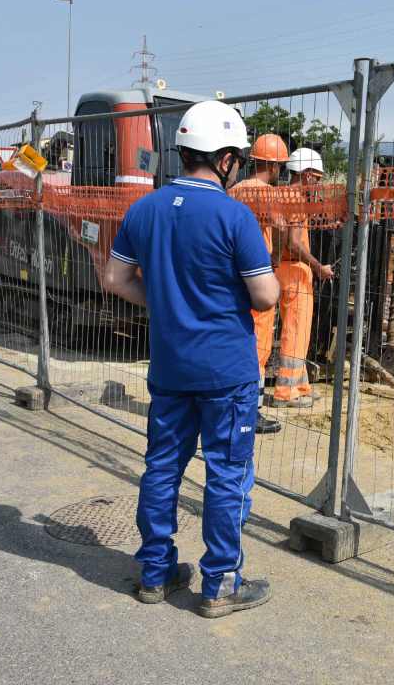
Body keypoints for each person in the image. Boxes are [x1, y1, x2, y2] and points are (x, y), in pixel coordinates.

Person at [103, 100, 279, 618]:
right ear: (225, 158)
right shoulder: (234, 215)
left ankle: (155, 573)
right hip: (226, 371)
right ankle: (220, 584)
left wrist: (165, 301)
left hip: (170, 366)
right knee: (226, 474)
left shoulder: (144, 209)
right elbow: (265, 295)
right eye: (237, 159)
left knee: (162, 467)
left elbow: (115, 279)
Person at [230, 133, 289, 434]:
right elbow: (279, 226)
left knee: (236, 338)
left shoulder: (234, 190)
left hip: (234, 274)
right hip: (258, 272)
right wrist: (275, 258)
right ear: (275, 166)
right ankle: (250, 413)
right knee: (260, 343)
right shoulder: (269, 193)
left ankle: (229, 405)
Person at [268, 148, 335, 408]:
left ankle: (300, 385)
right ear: (306, 174)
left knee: (296, 330)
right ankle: (286, 392)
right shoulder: (297, 199)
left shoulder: (279, 194)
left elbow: (279, 235)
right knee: (296, 331)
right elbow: (294, 243)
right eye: (317, 178)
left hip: (279, 269)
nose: (317, 184)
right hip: (296, 272)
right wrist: (318, 267)